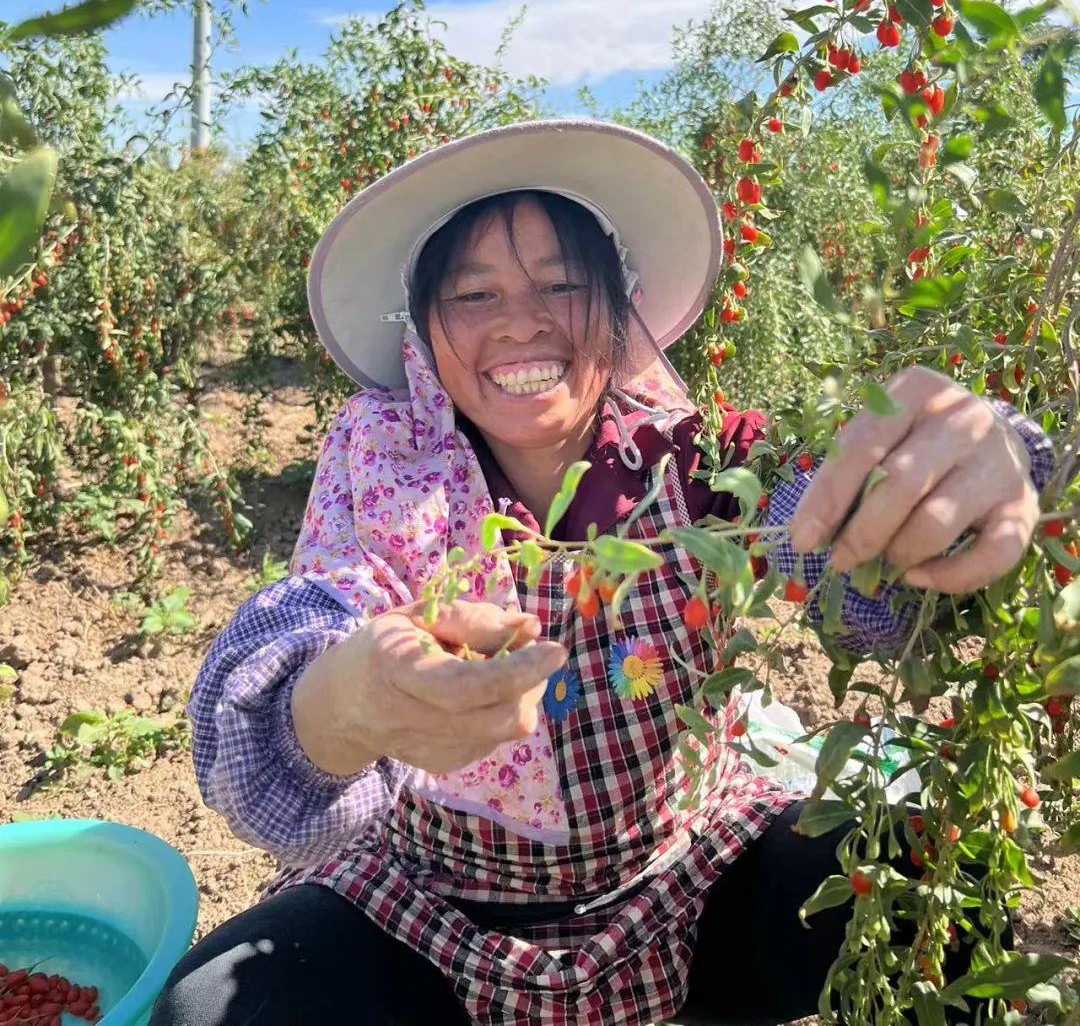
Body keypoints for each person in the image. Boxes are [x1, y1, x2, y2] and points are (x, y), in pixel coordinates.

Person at [153, 120, 1055, 1026]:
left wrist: (943, 489)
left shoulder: (701, 463)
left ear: (618, 307)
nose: (521, 321)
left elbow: (851, 581)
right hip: (431, 905)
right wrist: (347, 701)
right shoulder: (388, 478)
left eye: (562, 284)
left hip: (688, 877)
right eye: (473, 293)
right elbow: (288, 677)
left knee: (932, 888)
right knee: (214, 1007)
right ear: (424, 330)